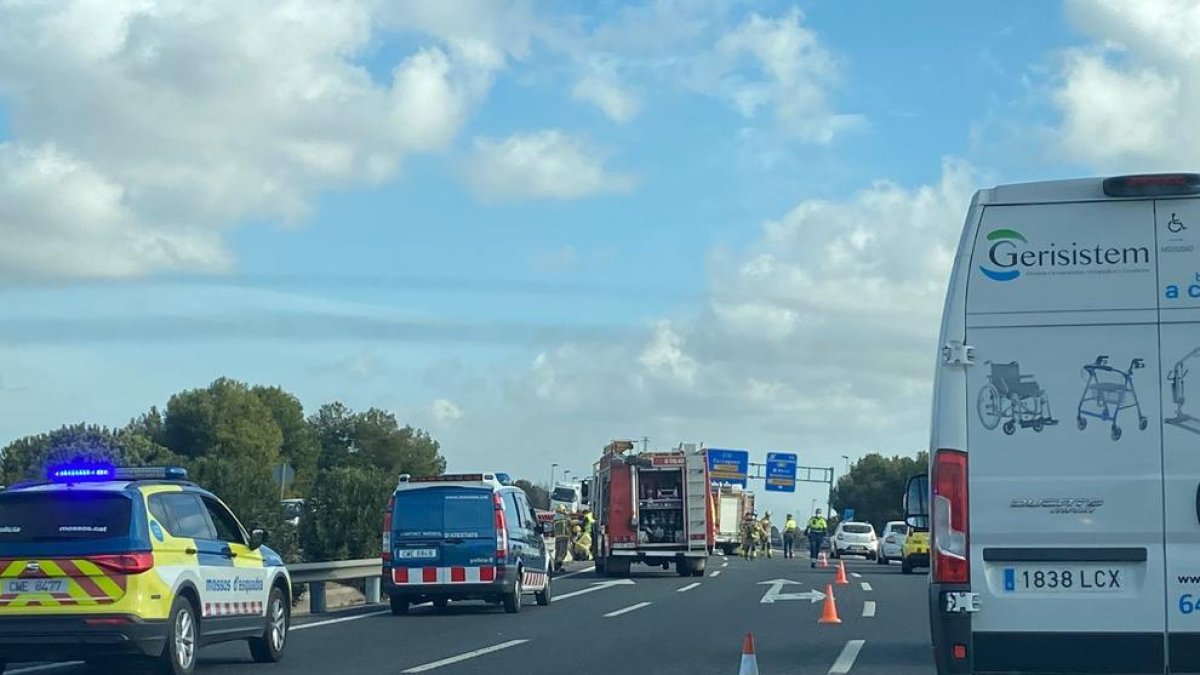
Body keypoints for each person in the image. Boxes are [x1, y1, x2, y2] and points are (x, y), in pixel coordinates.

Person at [552, 505, 572, 572]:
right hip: (564, 537)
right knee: (563, 552)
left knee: (557, 552)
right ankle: (558, 566)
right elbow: (570, 524)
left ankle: (556, 566)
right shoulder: (565, 517)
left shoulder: (555, 517)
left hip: (557, 537)